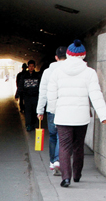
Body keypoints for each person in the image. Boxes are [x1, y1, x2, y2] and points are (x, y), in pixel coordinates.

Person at [47, 39, 106, 188]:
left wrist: (53, 110)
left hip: (62, 116)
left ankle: (66, 177)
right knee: (78, 146)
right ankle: (77, 175)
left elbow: (51, 94)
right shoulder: (89, 73)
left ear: (68, 54)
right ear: (83, 56)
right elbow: (96, 94)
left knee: (64, 147)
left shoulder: (57, 71)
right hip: (81, 117)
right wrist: (103, 115)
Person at [37, 46, 67, 176]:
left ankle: (52, 161)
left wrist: (40, 111)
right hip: (65, 107)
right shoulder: (69, 70)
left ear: (56, 57)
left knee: (53, 135)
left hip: (51, 108)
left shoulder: (48, 72)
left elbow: (42, 92)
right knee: (62, 135)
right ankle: (57, 160)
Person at [15, 60, 42, 131]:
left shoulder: (38, 76)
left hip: (35, 96)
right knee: (27, 111)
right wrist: (17, 95)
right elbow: (20, 85)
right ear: (28, 67)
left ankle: (33, 123)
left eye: (32, 66)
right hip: (27, 97)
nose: (31, 68)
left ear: (34, 67)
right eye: (30, 66)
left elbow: (41, 86)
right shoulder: (24, 76)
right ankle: (28, 125)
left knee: (34, 111)